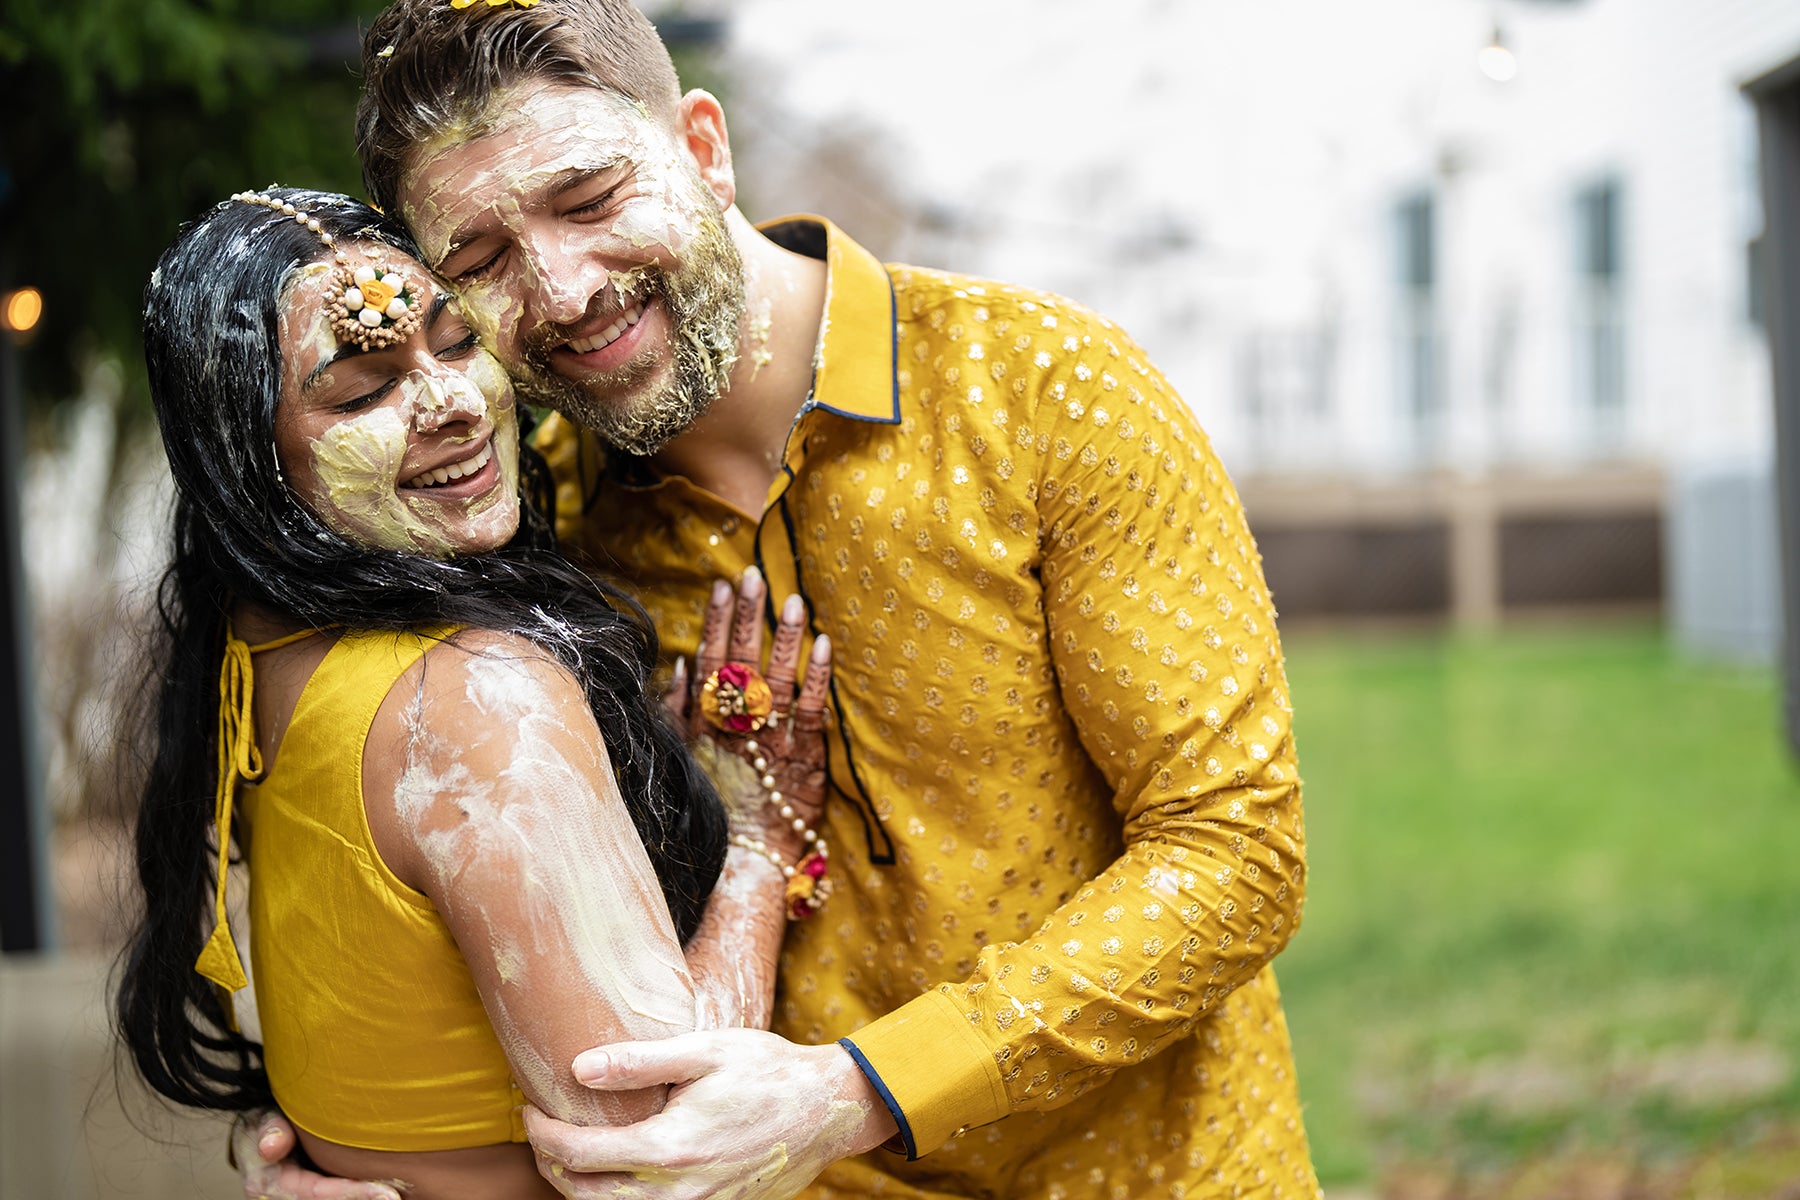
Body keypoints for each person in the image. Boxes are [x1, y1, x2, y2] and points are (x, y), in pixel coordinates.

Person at [260, 1, 1321, 1195]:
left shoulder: (1040, 392)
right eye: (480, 260)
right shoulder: (533, 536)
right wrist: (351, 1158)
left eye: (591, 199)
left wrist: (855, 1091)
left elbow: (1236, 855)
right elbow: (386, 856)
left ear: (703, 149)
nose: (560, 290)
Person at [115, 188, 848, 1200]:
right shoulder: (471, 702)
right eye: (363, 391)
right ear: (250, 461)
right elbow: (660, 1160)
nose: (451, 401)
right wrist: (759, 851)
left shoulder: (255, 644)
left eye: (458, 343)